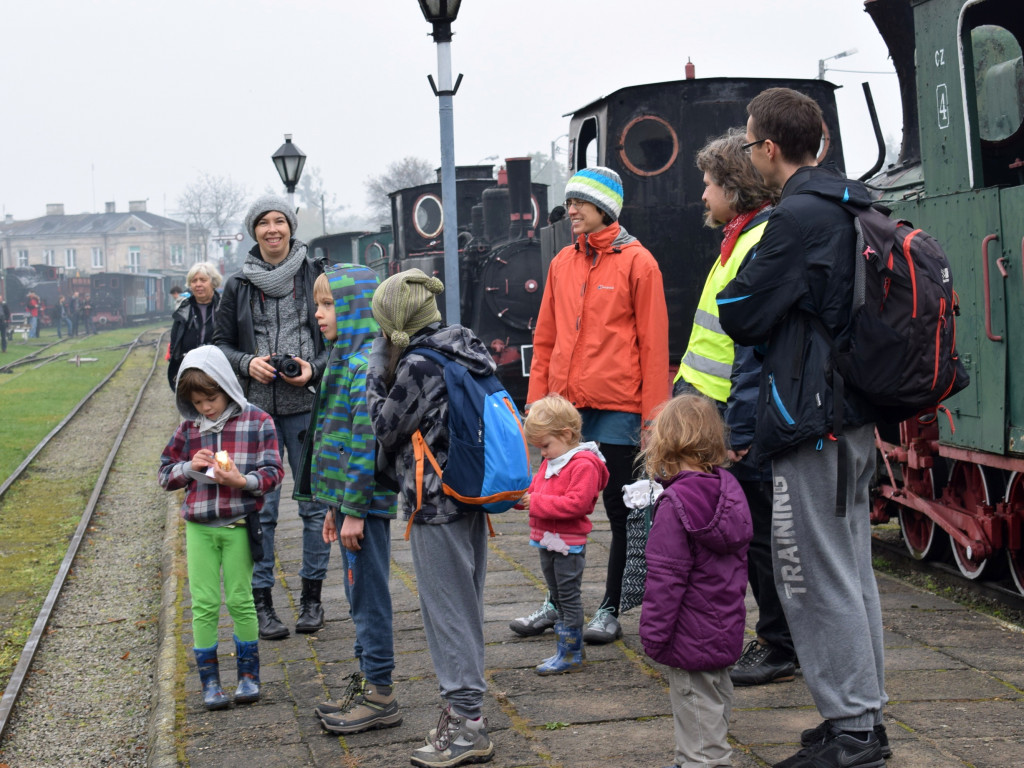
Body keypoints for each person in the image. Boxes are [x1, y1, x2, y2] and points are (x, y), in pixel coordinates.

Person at [718, 87, 888, 768]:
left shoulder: (795, 217)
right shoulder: (855, 202)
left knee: (811, 575)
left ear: (766, 148)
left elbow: (740, 309)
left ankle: (852, 733)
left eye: (750, 140)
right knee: (852, 570)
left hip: (808, 419)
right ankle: (861, 719)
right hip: (853, 414)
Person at [514, 166, 670, 645]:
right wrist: (537, 405)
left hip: (620, 410)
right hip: (565, 414)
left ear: (606, 208)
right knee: (555, 509)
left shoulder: (639, 264)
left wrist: (653, 421)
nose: (572, 209)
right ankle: (558, 603)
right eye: (571, 201)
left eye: (581, 202)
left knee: (621, 511)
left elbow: (654, 348)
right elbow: (544, 339)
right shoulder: (562, 262)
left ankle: (609, 608)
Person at [671, 128, 796, 687]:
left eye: (708, 183)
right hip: (709, 409)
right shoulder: (736, 237)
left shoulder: (753, 241)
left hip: (729, 415)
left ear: (734, 188)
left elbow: (751, 348)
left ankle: (778, 642)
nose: (702, 194)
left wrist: (736, 426)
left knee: (756, 532)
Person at [365, 269, 495, 767]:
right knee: (467, 607)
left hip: (435, 503)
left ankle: (468, 726)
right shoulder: (465, 346)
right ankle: (464, 713)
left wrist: (379, 363)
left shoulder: (419, 364)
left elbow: (384, 425)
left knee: (448, 614)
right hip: (471, 497)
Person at [214, 195, 329, 640]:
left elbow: (335, 339)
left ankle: (312, 600)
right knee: (259, 508)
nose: (273, 229)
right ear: (253, 231)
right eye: (264, 223)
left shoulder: (315, 275)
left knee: (314, 507)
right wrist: (247, 363)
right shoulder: (237, 284)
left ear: (290, 227)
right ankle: (262, 605)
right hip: (256, 411)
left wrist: (313, 369)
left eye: (280, 221)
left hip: (306, 407)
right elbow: (221, 343)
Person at [292, 266, 401, 735]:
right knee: (357, 595)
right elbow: (335, 442)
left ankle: (380, 693)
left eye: (328, 304)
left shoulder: (362, 370)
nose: (318, 314)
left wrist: (353, 510)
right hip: (351, 506)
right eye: (317, 304)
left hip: (366, 507)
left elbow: (362, 447)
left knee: (368, 596)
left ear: (356, 308)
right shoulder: (344, 358)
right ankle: (367, 682)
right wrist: (336, 507)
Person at [158, 345, 284, 711]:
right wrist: (187, 468)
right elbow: (165, 473)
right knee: (204, 604)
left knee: (242, 599)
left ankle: (248, 676)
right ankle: (210, 683)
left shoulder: (257, 421)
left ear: (227, 386)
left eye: (210, 398)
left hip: (240, 523)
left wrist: (241, 481)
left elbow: (274, 472)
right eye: (197, 402)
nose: (206, 408)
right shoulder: (188, 430)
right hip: (199, 527)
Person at [639, 394, 752, 768]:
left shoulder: (675, 504)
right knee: (712, 704)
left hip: (689, 633)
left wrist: (654, 634)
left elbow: (665, 579)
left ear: (666, 442)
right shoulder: (729, 493)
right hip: (724, 625)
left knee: (698, 721)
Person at [519, 394, 608, 675]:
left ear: (566, 434)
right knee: (557, 597)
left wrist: (535, 503)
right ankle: (569, 650)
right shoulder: (553, 458)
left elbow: (578, 504)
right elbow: (537, 489)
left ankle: (569, 653)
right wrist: (518, 496)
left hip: (568, 544)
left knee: (568, 598)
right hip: (547, 539)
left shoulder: (582, 464)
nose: (542, 454)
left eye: (544, 446)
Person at [168, 262, 223, 391]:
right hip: (190, 374)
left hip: (218, 373)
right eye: (194, 281)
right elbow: (175, 343)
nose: (198, 284)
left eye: (203, 280)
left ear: (213, 282)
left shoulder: (224, 309)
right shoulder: (183, 311)